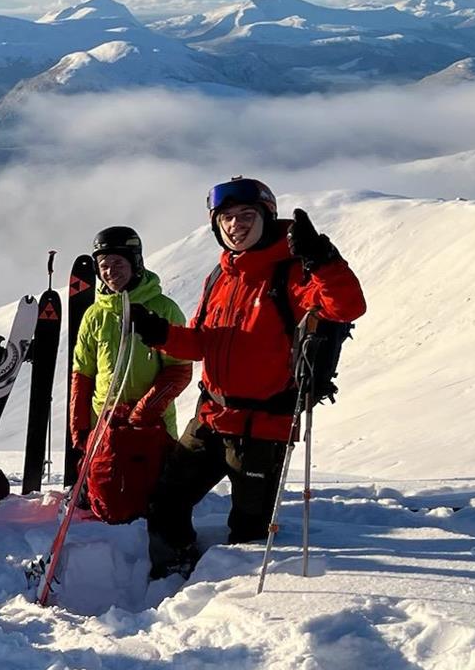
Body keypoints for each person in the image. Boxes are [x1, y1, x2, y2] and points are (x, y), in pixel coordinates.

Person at [130, 179, 366, 577]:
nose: (235, 225)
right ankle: (174, 569)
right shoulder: (221, 277)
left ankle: (234, 601)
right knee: (167, 499)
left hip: (263, 430)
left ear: (267, 218)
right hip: (211, 417)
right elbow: (204, 343)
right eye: (226, 218)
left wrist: (323, 261)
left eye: (246, 216)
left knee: (250, 530)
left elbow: (347, 307)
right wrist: (162, 334)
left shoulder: (292, 273)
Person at [68, 227, 192, 523]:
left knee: (146, 501)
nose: (111, 272)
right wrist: (80, 427)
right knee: (108, 498)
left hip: (152, 425)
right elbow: (82, 373)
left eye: (119, 264)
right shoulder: (95, 314)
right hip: (106, 420)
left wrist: (145, 411)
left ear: (136, 263)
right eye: (104, 265)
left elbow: (179, 369)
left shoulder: (163, 309)